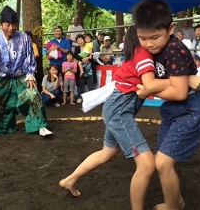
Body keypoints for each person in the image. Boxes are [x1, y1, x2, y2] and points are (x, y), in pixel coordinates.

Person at [59, 25, 173, 210]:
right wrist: (180, 81)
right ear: (140, 38)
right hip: (119, 110)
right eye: (148, 36)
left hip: (116, 108)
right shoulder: (142, 54)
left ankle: (69, 180)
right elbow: (150, 86)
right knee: (146, 164)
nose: (152, 40)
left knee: (108, 152)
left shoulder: (136, 53)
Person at [133, 0, 200, 210]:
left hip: (190, 109)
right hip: (171, 109)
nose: (149, 43)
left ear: (171, 29)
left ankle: (173, 206)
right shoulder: (149, 50)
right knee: (162, 161)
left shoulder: (174, 50)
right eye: (143, 38)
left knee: (163, 163)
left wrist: (149, 89)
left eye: (155, 37)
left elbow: (179, 93)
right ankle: (177, 201)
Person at [0, 5, 52, 137]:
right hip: (3, 79)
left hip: (22, 77)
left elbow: (29, 56)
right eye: (8, 25)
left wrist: (30, 74)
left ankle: (40, 126)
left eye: (14, 24)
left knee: (33, 95)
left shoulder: (24, 37)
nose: (11, 28)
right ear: (0, 24)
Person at [74, 34, 95, 104]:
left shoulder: (88, 46)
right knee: (80, 83)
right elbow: (76, 56)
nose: (80, 41)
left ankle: (92, 98)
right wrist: (82, 59)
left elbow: (92, 54)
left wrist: (88, 58)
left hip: (89, 67)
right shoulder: (77, 48)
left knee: (90, 83)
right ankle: (80, 97)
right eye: (78, 40)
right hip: (81, 68)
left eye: (81, 39)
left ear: (84, 39)